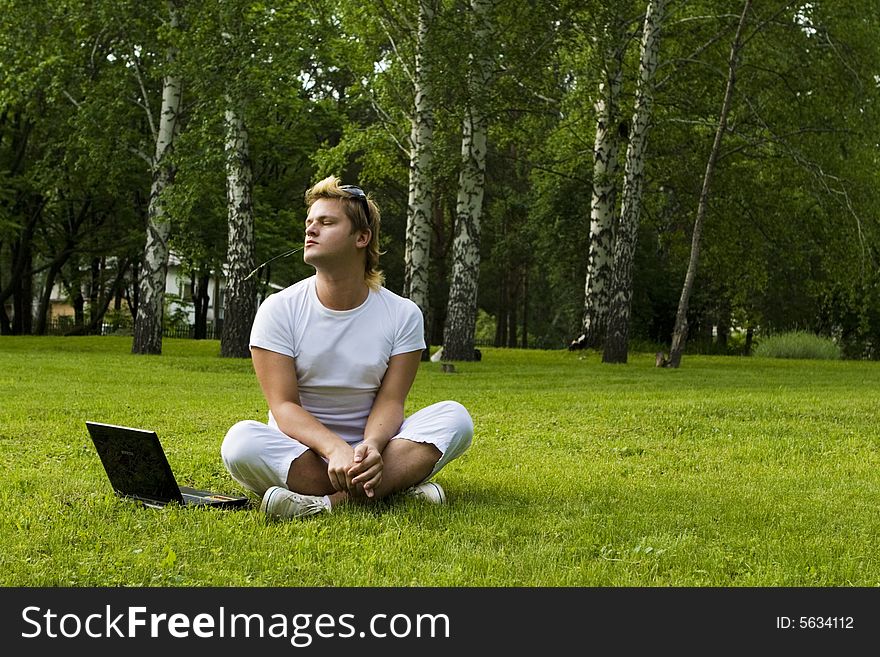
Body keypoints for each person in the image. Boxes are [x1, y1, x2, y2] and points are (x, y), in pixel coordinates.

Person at [221, 175, 474, 519]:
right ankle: (394, 489)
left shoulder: (402, 314)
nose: (311, 230)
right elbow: (283, 406)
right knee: (240, 443)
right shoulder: (278, 309)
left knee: (456, 418)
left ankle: (326, 505)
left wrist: (370, 446)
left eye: (326, 222)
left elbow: (391, 400)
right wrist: (334, 448)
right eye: (310, 222)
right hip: (304, 452)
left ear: (362, 237)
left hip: (381, 450)